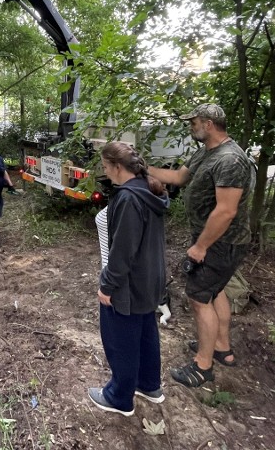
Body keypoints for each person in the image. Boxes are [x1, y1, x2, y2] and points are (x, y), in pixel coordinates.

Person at [148, 103, 256, 388]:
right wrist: (142, 167)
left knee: (198, 298)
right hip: (212, 240)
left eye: (194, 122)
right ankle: (221, 348)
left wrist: (201, 247)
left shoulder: (231, 159)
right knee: (214, 291)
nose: (190, 126)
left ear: (208, 124)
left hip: (222, 243)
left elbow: (226, 211)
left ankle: (202, 367)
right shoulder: (206, 153)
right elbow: (179, 179)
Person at [88, 142, 170, 416]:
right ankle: (148, 385)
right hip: (152, 277)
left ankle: (119, 397)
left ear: (117, 167)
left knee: (120, 336)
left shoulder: (127, 198)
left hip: (130, 282)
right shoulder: (147, 189)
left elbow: (123, 250)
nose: (105, 171)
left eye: (105, 166)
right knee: (146, 328)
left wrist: (107, 285)